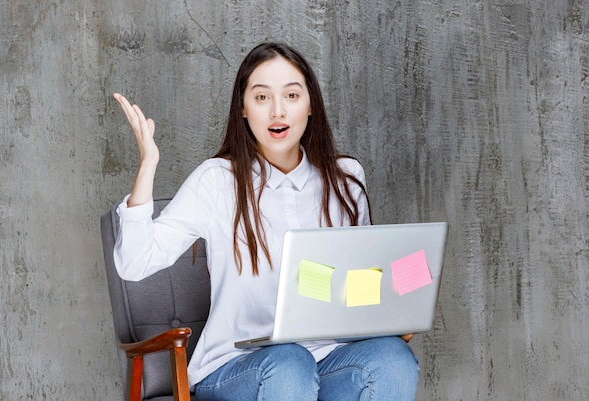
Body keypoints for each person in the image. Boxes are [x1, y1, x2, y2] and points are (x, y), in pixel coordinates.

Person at [113, 42, 419, 401]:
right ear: (243, 109)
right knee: (289, 365)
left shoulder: (345, 179)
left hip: (328, 358)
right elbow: (134, 263)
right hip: (236, 367)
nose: (278, 111)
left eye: (291, 95)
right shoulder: (217, 181)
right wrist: (147, 165)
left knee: (393, 359)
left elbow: (357, 282)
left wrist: (396, 300)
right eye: (261, 98)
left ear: (310, 106)